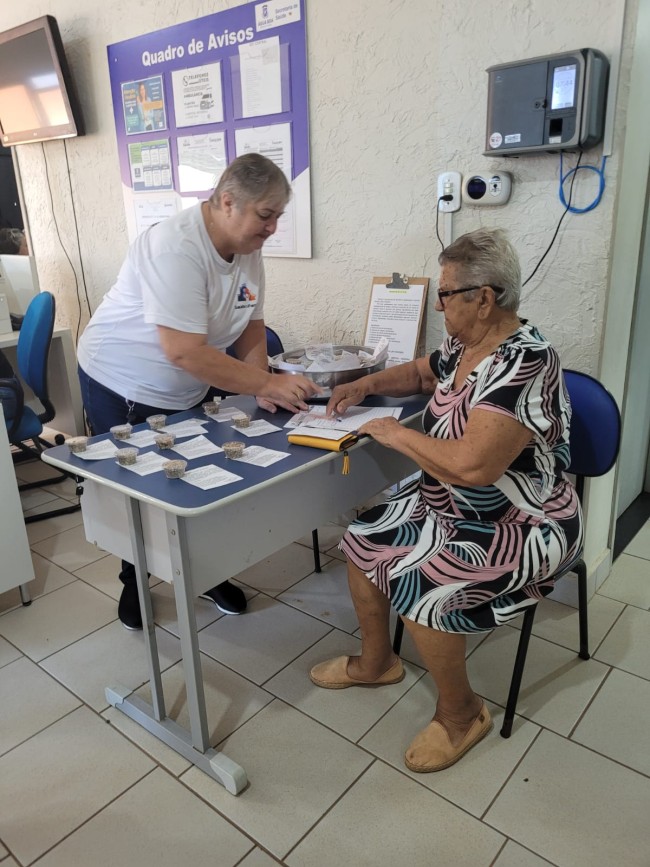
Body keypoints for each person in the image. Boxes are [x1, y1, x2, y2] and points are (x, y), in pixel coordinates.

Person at [310, 228, 583, 772]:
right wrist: (365, 385)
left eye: (447, 294)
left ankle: (462, 714)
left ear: (484, 298)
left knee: (425, 585)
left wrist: (395, 434)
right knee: (362, 539)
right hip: (449, 501)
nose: (439, 305)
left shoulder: (526, 362)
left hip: (521, 518)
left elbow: (475, 468)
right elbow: (420, 372)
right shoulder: (465, 343)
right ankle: (377, 662)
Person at [77, 153, 320, 629]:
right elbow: (184, 351)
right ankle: (134, 579)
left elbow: (251, 322)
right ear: (227, 202)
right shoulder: (175, 247)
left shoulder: (246, 246)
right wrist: (268, 382)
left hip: (186, 386)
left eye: (278, 216)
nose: (272, 228)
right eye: (265, 215)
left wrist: (261, 388)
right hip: (122, 380)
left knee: (199, 477)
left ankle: (203, 572)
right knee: (140, 488)